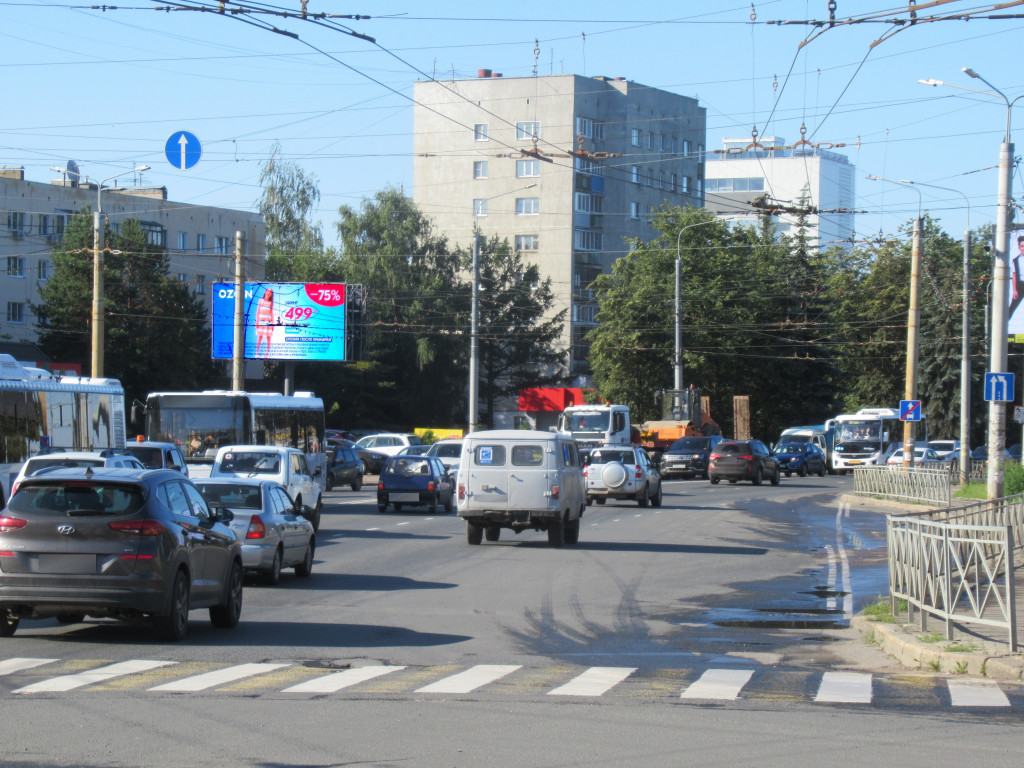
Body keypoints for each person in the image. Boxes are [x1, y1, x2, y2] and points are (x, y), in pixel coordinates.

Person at [254, 287, 275, 358]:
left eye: (271, 292)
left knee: (268, 337)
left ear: (271, 294)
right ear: (265, 292)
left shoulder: (271, 303)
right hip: (261, 321)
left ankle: (267, 353)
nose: (269, 293)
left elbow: (271, 313)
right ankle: (257, 352)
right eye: (268, 291)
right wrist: (256, 322)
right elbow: (258, 312)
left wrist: (273, 324)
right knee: (260, 336)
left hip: (268, 322)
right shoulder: (261, 301)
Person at [1010, 236, 1024, 320]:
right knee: (1012, 307)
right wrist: (1015, 290)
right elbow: (1014, 275)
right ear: (1019, 247)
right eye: (1022, 246)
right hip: (1020, 285)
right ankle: (1004, 328)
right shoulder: (1016, 260)